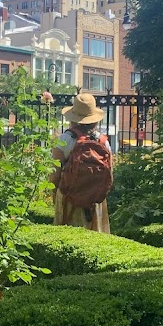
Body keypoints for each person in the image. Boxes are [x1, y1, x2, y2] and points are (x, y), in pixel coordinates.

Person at [51, 93, 112, 233]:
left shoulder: (64, 140)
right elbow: (109, 175)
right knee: (96, 240)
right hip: (95, 202)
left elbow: (55, 175)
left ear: (73, 117)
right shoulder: (103, 142)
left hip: (69, 198)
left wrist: (55, 194)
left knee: (66, 238)